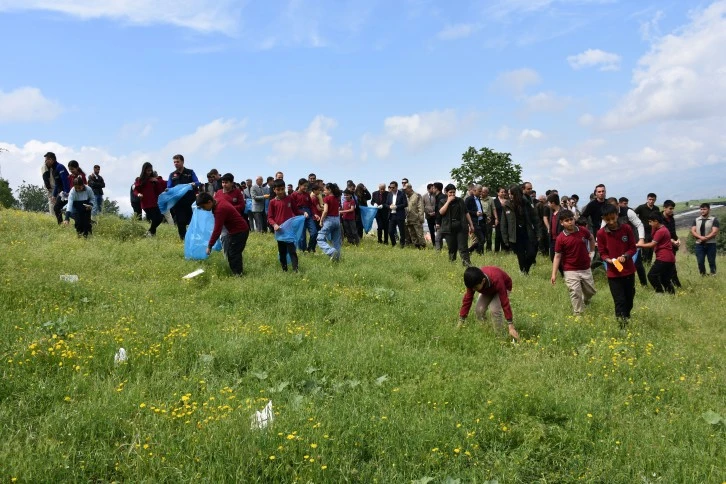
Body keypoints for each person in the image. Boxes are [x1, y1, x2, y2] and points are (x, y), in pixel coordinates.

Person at [597, 204, 638, 328]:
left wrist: (625, 256)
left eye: (613, 218)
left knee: (629, 299)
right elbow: (602, 253)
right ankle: (622, 326)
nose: (611, 222)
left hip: (628, 271)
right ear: (603, 218)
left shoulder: (626, 228)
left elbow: (633, 248)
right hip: (613, 273)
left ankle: (627, 315)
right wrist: (608, 260)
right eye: (607, 219)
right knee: (619, 301)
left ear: (617, 215)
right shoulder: (601, 233)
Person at [550, 209, 597, 315]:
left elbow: (591, 238)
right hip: (570, 269)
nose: (570, 222)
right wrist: (554, 274)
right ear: (562, 223)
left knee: (591, 291)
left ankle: (585, 300)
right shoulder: (560, 238)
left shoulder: (582, 231)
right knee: (575, 292)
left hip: (585, 267)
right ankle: (578, 313)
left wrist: (592, 252)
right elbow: (557, 256)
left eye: (571, 219)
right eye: (567, 220)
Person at [459, 266, 520, 341]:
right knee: (479, 310)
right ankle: (485, 330)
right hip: (488, 289)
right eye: (472, 288)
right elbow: (467, 300)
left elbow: (505, 302)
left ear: (483, 280)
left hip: (504, 287)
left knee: (494, 309)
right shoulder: (473, 283)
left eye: (475, 288)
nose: (473, 290)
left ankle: (499, 337)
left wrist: (510, 325)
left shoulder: (497, 279)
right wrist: (461, 320)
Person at [196, 192, 250, 276]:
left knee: (234, 254)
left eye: (203, 206)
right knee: (232, 253)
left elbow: (217, 230)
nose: (203, 209)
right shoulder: (218, 200)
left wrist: (210, 246)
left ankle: (238, 274)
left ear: (210, 202)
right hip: (235, 230)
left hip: (240, 231)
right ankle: (237, 273)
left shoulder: (220, 209)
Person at [500, 184, 540, 275]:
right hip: (515, 235)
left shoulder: (526, 204)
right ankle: (524, 273)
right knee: (520, 255)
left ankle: (525, 269)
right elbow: (503, 223)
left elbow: (535, 219)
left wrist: (538, 233)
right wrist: (505, 238)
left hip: (527, 233)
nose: (509, 195)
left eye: (511, 194)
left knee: (531, 253)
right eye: (509, 193)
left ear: (516, 194)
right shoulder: (507, 205)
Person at [268, 179, 305, 272]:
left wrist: (303, 213)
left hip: (289, 230)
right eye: (278, 189)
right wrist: (275, 225)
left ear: (284, 188)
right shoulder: (272, 202)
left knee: (292, 251)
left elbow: (296, 211)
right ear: (274, 190)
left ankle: (296, 271)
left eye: (282, 189)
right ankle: (284, 270)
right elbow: (270, 217)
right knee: (282, 252)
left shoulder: (290, 198)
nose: (280, 192)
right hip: (280, 230)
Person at [637, 213, 675, 294]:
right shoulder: (661, 229)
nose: (649, 224)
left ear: (656, 221)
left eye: (650, 222)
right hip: (669, 258)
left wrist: (636, 245)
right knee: (664, 279)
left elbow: (652, 244)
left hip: (663, 258)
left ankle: (659, 292)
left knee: (652, 275)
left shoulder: (661, 231)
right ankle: (671, 295)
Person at [438, 184, 474, 267]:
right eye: (450, 192)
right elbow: (441, 212)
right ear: (446, 192)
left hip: (461, 227)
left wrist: (471, 224)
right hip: (448, 228)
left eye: (454, 192)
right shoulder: (442, 201)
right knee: (452, 248)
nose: (452, 194)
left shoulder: (460, 200)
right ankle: (452, 265)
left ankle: (467, 265)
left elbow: (466, 212)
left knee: (463, 248)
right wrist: (448, 201)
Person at [166, 154, 200, 240]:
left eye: (178, 162)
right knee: (181, 222)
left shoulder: (190, 172)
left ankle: (194, 239)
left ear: (182, 162)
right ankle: (183, 240)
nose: (176, 164)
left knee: (192, 221)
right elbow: (169, 187)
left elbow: (197, 182)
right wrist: (167, 190)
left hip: (190, 202)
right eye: (174, 162)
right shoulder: (172, 175)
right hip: (178, 203)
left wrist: (194, 184)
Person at [134, 162, 166, 236]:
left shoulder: (153, 180)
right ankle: (150, 233)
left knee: (160, 218)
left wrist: (156, 182)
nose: (149, 172)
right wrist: (138, 194)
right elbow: (135, 190)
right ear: (144, 170)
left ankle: (150, 233)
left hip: (154, 203)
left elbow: (159, 191)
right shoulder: (139, 180)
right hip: (146, 204)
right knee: (155, 219)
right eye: (148, 170)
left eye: (150, 170)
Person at [690, 203, 720, 276]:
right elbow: (693, 231)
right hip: (699, 244)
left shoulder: (714, 220)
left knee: (711, 261)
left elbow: (714, 232)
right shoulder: (696, 220)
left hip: (711, 244)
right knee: (700, 261)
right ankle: (703, 275)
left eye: (704, 209)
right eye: (701, 209)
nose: (702, 211)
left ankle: (713, 275)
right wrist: (701, 238)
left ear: (709, 210)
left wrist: (705, 238)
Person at [317, 183, 343, 261]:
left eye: (325, 190)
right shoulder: (336, 198)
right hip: (337, 221)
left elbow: (325, 211)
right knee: (336, 241)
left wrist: (321, 220)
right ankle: (336, 258)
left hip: (329, 220)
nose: (323, 191)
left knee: (320, 239)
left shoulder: (326, 198)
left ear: (329, 190)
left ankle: (331, 252)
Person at [44, 152, 70, 225]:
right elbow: (57, 184)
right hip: (62, 193)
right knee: (58, 208)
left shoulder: (60, 167)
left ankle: (61, 225)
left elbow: (66, 182)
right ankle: (61, 224)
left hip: (67, 192)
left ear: (51, 160)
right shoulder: (53, 170)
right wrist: (54, 196)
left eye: (46, 160)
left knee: (57, 207)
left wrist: (66, 194)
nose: (45, 162)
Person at [634, 193, 660, 265]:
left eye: (653, 200)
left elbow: (658, 219)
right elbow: (633, 215)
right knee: (645, 249)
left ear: (655, 200)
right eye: (650, 199)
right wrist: (637, 224)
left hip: (653, 231)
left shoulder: (656, 209)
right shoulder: (641, 207)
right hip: (643, 232)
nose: (651, 201)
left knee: (651, 248)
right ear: (647, 199)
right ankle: (644, 264)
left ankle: (648, 264)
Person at [661, 200, 682, 287]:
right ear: (664, 208)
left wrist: (678, 240)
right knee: (668, 266)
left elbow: (673, 232)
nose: (671, 210)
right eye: (670, 208)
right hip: (664, 246)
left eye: (673, 209)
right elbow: (660, 234)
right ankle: (675, 284)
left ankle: (671, 283)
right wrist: (671, 241)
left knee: (670, 265)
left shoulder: (671, 218)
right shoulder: (659, 219)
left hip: (672, 245)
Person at [465, 185, 486, 255]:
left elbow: (479, 209)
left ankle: (479, 252)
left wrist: (484, 216)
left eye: (481, 191)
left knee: (482, 239)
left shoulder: (479, 199)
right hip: (474, 222)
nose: (481, 193)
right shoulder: (468, 199)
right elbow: (465, 211)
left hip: (481, 221)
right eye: (479, 191)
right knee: (481, 239)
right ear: (474, 191)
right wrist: (475, 213)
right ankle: (476, 252)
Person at [404, 183, 426, 249]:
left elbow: (421, 208)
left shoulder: (417, 196)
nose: (405, 190)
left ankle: (423, 246)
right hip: (409, 219)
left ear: (410, 188)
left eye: (406, 189)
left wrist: (421, 218)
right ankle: (417, 247)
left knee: (419, 234)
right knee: (412, 234)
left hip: (417, 219)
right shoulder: (406, 197)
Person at [387, 181, 408, 248]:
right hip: (392, 215)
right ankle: (394, 244)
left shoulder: (402, 194)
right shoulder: (389, 194)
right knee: (390, 231)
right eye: (390, 187)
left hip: (399, 215)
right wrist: (389, 206)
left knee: (402, 231)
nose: (392, 189)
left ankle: (402, 245)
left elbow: (405, 204)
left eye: (393, 187)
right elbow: (386, 204)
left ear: (396, 187)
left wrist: (396, 206)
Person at [480, 187, 497, 252]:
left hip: (488, 220)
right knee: (481, 236)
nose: (482, 193)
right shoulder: (478, 198)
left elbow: (493, 208)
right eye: (481, 191)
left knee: (489, 236)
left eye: (483, 192)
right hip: (480, 220)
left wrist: (496, 218)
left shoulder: (490, 199)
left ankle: (488, 250)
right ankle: (480, 250)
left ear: (487, 193)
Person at [493, 187, 509, 252]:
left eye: (504, 192)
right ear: (498, 193)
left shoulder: (507, 201)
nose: (503, 193)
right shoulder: (495, 201)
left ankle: (504, 249)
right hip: (498, 220)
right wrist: (495, 219)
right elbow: (493, 210)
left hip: (506, 220)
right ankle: (496, 250)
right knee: (498, 235)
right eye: (501, 192)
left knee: (505, 234)